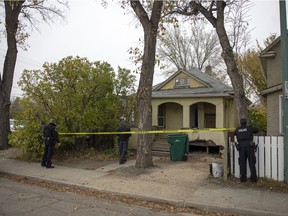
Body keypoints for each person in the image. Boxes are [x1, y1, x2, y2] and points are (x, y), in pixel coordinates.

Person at [234, 118, 259, 182]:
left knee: (242, 163)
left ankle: (243, 179)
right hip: (249, 147)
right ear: (246, 122)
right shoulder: (249, 128)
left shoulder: (237, 129)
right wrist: (249, 127)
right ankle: (253, 179)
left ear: (240, 123)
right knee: (252, 163)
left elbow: (234, 133)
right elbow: (257, 130)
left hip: (241, 148)